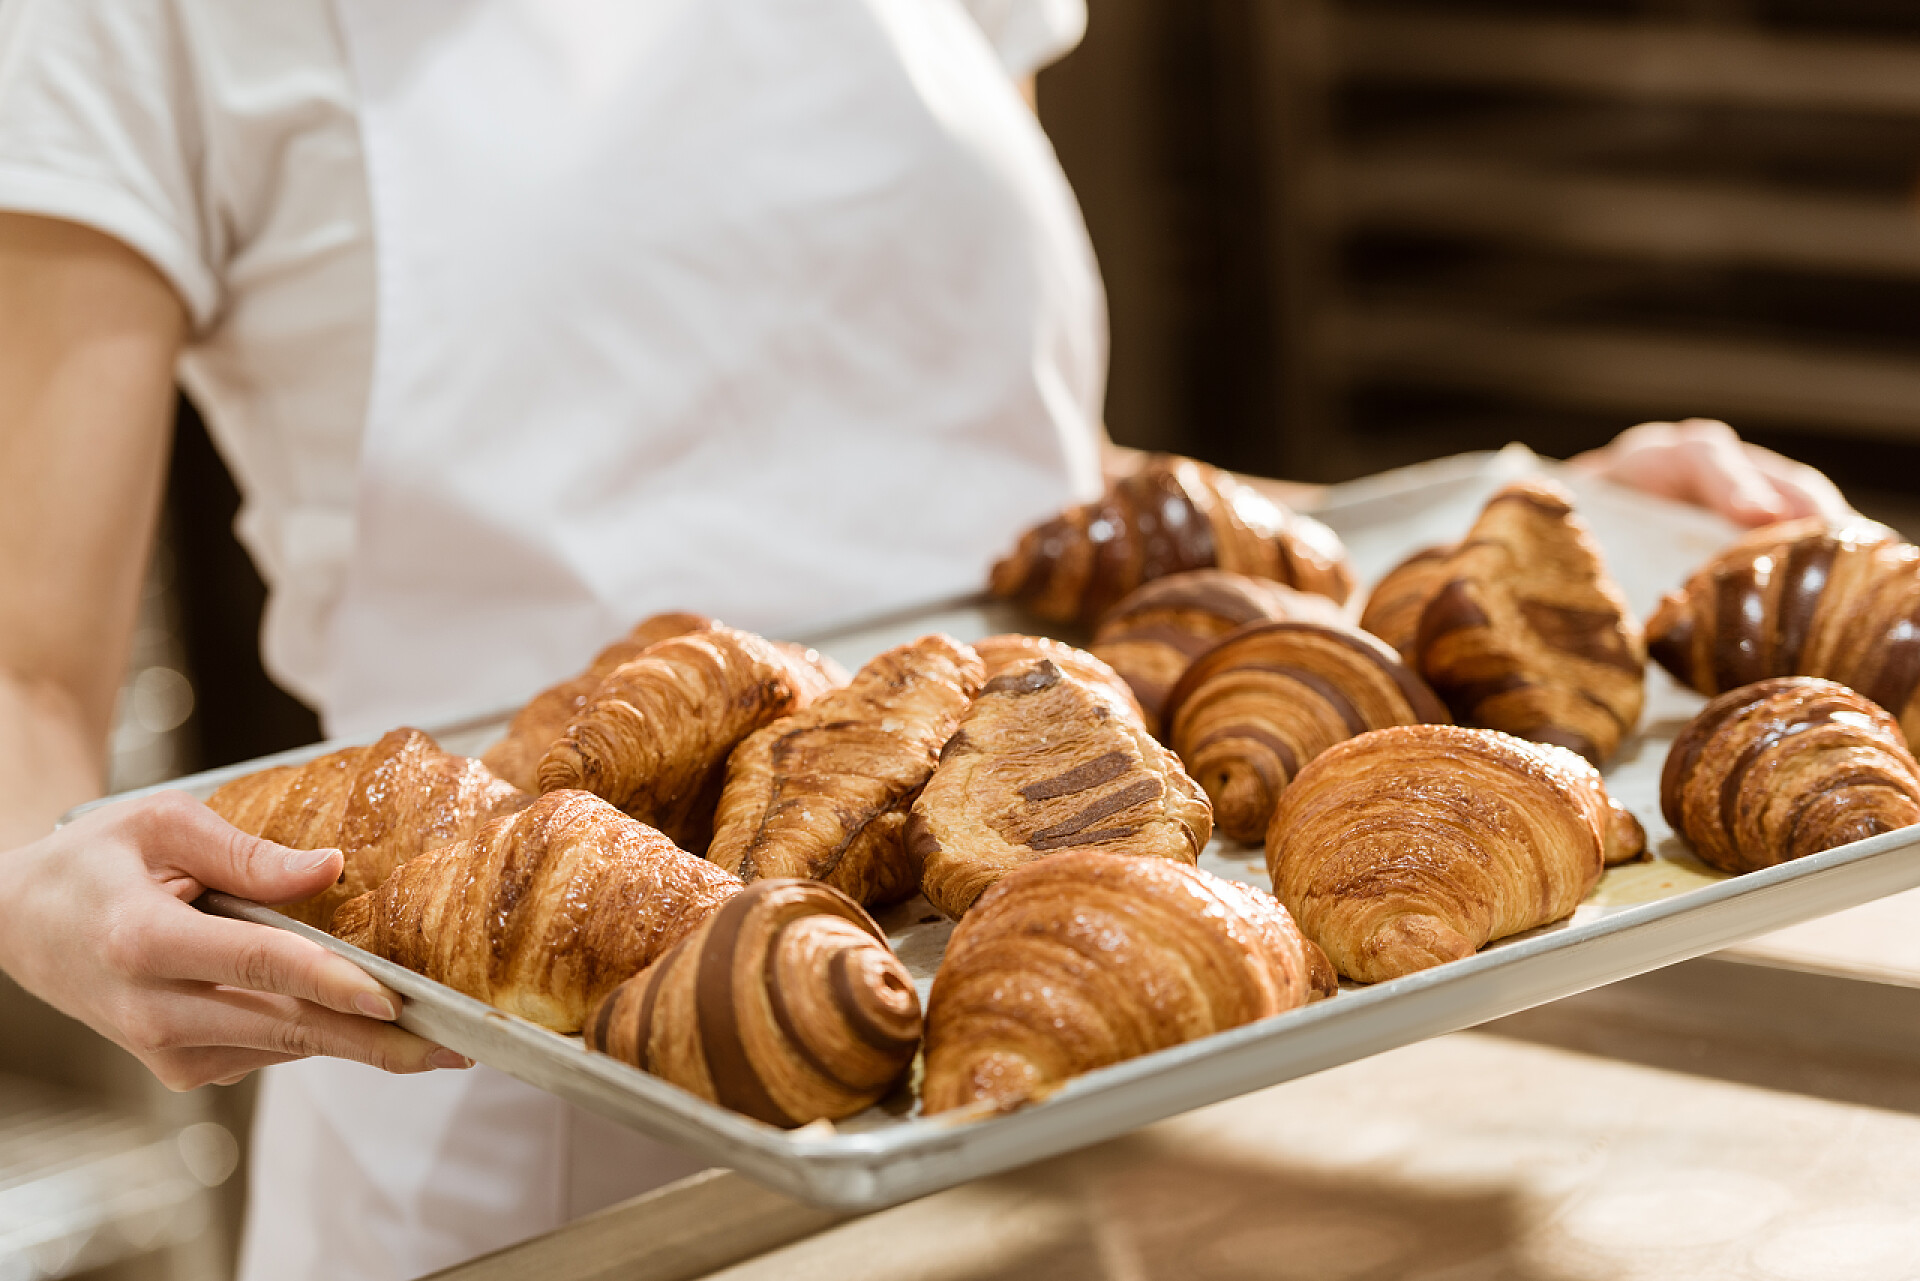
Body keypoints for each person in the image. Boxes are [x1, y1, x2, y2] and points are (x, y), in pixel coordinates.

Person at [0, 2, 1854, 1278]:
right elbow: (22, 669)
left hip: (1075, 1012)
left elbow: (1002, 489)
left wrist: (1521, 548)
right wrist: (37, 888)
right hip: (517, 1106)